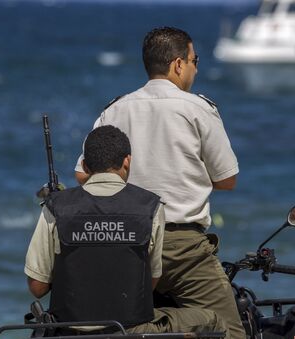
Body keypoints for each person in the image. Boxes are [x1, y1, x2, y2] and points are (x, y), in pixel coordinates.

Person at [74, 27, 244, 339]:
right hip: (183, 251)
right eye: (195, 61)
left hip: (124, 243)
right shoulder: (198, 109)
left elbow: (84, 175)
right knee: (233, 331)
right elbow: (227, 179)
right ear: (178, 64)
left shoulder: (115, 109)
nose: (195, 68)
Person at [25, 125, 226, 335]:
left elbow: (37, 287)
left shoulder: (56, 207)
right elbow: (150, 283)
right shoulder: (151, 207)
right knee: (213, 320)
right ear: (127, 161)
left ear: (84, 165)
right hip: (132, 330)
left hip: (68, 330)